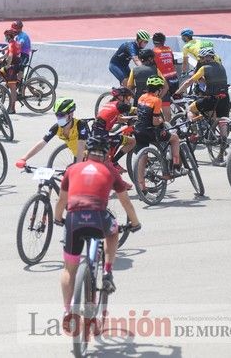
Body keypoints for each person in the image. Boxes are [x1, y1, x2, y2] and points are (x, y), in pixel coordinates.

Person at [51, 136, 141, 325]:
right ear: (107, 154)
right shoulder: (110, 170)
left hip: (74, 220)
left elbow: (61, 201)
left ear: (86, 153)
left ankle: (67, 311)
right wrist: (135, 223)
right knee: (114, 229)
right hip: (99, 219)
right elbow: (125, 201)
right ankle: (107, 271)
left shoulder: (72, 169)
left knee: (69, 268)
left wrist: (58, 218)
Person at [175, 46, 230, 162]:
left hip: (212, 99)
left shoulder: (204, 68)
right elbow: (216, 81)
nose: (201, 60)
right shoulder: (221, 66)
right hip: (224, 98)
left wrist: (178, 92)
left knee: (190, 109)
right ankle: (221, 152)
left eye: (201, 58)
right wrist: (204, 81)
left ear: (205, 58)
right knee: (222, 123)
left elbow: (189, 81)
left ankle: (195, 133)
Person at [134, 76, 183, 192]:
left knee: (143, 158)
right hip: (151, 132)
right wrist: (162, 121)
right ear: (159, 89)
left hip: (138, 131)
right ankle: (176, 167)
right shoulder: (157, 100)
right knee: (175, 139)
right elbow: (155, 121)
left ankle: (142, 186)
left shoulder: (141, 97)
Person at [16, 98, 90, 167]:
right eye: (57, 114)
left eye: (61, 115)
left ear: (71, 114)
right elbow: (42, 143)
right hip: (78, 156)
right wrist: (24, 158)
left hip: (90, 158)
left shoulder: (81, 125)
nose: (59, 117)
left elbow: (81, 146)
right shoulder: (57, 127)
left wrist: (77, 166)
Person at [92, 87, 136, 173]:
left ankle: (111, 163)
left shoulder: (110, 103)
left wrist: (132, 118)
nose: (129, 100)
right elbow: (135, 110)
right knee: (132, 141)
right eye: (128, 98)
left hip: (97, 132)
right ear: (121, 97)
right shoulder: (120, 105)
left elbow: (119, 119)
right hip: (102, 136)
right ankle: (114, 162)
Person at [151, 32, 180, 121]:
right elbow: (173, 63)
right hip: (174, 78)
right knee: (177, 99)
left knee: (165, 104)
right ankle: (181, 112)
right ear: (164, 41)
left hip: (165, 81)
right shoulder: (169, 49)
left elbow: (153, 66)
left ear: (154, 42)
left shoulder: (153, 52)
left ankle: (168, 127)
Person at [0, 28, 21, 113]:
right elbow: (7, 54)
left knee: (13, 88)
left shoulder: (12, 44)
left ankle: (12, 108)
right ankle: (5, 88)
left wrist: (7, 66)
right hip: (17, 64)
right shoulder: (15, 43)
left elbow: (10, 56)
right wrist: (0, 58)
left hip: (13, 67)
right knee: (3, 75)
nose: (5, 37)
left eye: (6, 36)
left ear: (9, 36)